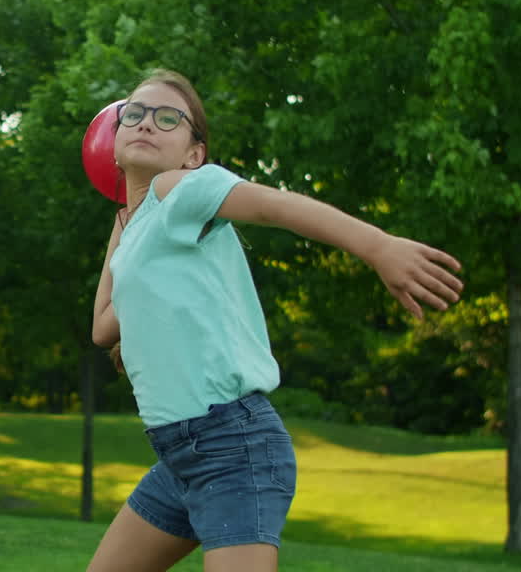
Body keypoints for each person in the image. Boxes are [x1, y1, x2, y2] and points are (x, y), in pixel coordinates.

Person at [85, 70, 464, 572]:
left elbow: (272, 206)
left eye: (168, 118)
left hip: (231, 446)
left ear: (194, 155)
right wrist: (123, 218)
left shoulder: (183, 189)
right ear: (113, 141)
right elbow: (103, 327)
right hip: (180, 455)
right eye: (133, 114)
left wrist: (378, 246)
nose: (146, 123)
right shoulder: (142, 230)